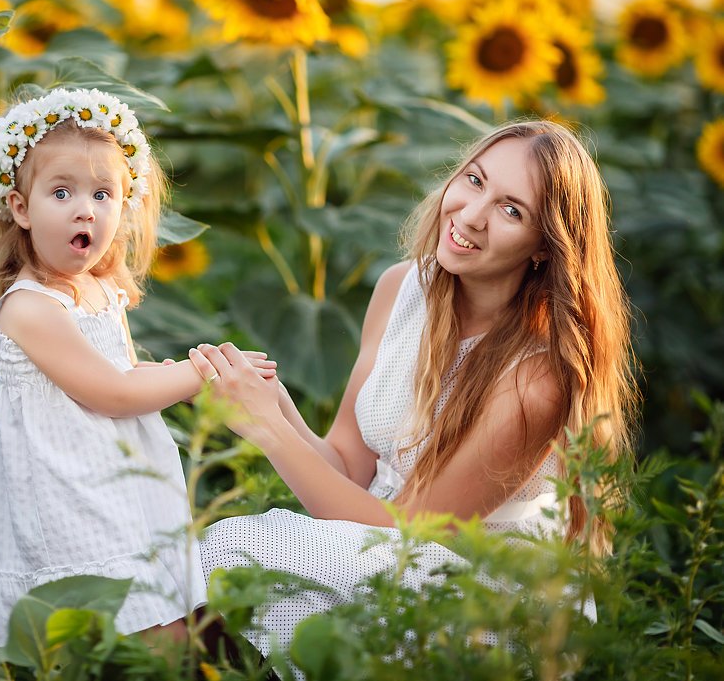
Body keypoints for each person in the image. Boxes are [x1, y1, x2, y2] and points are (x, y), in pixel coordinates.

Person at [187, 120, 638, 661]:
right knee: (207, 570)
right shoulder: (401, 288)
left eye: (511, 209)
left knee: (235, 553)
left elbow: (410, 535)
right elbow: (349, 466)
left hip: (480, 596)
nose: (471, 216)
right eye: (474, 181)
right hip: (380, 538)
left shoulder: (536, 377)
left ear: (545, 246)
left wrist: (265, 431)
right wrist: (275, 402)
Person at [0, 87, 276, 647]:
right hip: (68, 486)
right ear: (20, 208)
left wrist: (168, 376)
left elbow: (125, 373)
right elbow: (110, 393)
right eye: (61, 192)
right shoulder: (29, 305)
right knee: (117, 613)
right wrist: (200, 371)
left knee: (162, 605)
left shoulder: (100, 290)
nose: (85, 208)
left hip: (119, 473)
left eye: (103, 193)